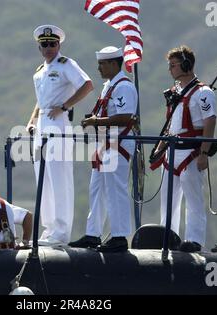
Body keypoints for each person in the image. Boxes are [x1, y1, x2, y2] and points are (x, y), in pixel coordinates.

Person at [25, 24, 93, 246]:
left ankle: (61, 232)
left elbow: (87, 85)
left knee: (59, 177)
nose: (48, 48)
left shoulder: (66, 65)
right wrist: (32, 119)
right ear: (39, 47)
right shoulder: (39, 71)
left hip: (58, 122)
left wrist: (65, 106)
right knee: (42, 178)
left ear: (59, 44)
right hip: (43, 123)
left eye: (52, 43)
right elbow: (40, 100)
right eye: (44, 44)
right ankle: (49, 229)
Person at [68, 46, 138, 252]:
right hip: (105, 145)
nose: (98, 68)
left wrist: (96, 121)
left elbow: (127, 117)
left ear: (113, 64)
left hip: (118, 144)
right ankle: (93, 233)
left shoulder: (123, 86)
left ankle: (119, 236)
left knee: (116, 191)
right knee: (96, 190)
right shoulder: (109, 85)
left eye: (102, 64)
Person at [150, 45, 217, 252]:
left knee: (193, 199)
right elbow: (170, 125)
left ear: (186, 65)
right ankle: (168, 237)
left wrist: (204, 153)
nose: (170, 69)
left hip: (191, 152)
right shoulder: (174, 93)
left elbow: (210, 120)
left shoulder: (203, 93)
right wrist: (159, 149)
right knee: (168, 201)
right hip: (171, 151)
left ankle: (194, 239)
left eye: (173, 65)